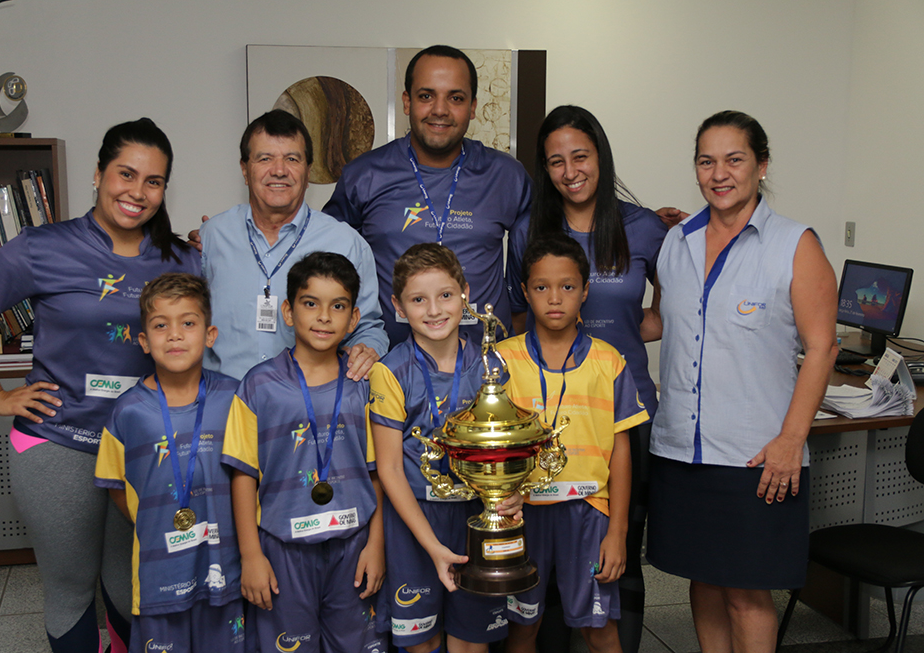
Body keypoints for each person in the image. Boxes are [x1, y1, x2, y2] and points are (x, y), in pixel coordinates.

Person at [0, 118, 199, 652]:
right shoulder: (45, 247)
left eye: (154, 181)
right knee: (70, 590)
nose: (138, 191)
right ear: (100, 172)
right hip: (59, 443)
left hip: (143, 447)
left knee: (132, 588)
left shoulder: (184, 259)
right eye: (126, 174)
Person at [647, 110, 837, 653]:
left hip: (756, 457)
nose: (719, 173)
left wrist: (790, 441)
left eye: (734, 159)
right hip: (681, 451)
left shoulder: (794, 244)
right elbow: (664, 322)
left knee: (747, 595)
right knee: (702, 581)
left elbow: (822, 348)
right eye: (706, 161)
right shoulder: (676, 242)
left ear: (762, 165)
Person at [505, 105, 667, 653]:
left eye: (581, 155)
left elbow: (669, 312)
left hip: (622, 409)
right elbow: (520, 318)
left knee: (615, 546)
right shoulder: (530, 229)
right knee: (539, 559)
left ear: (600, 156)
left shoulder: (644, 226)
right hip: (542, 416)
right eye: (556, 161)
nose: (570, 169)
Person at [222, 252, 386, 653]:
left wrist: (376, 545)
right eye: (310, 303)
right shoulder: (258, 385)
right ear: (288, 311)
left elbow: (377, 472)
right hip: (282, 551)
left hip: (353, 545)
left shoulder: (363, 383)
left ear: (353, 318)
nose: (324, 317)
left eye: (338, 306)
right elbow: (244, 474)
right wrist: (250, 555)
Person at [323, 45, 532, 345]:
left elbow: (536, 259)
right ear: (407, 102)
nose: (440, 110)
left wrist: (516, 315)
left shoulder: (506, 175)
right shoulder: (364, 175)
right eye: (426, 96)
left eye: (456, 98)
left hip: (486, 367)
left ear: (473, 106)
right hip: (387, 365)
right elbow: (331, 266)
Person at [498, 235, 648, 653]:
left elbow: (622, 452)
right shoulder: (502, 361)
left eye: (567, 286)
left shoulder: (609, 361)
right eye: (541, 287)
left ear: (585, 291)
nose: (554, 298)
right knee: (523, 627)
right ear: (525, 291)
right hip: (523, 515)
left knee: (599, 629)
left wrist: (617, 532)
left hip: (589, 514)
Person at [369, 243, 521, 653]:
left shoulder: (493, 366)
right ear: (399, 307)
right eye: (419, 299)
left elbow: (508, 450)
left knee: (472, 641)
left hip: (477, 516)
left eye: (446, 296)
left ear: (465, 294)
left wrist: (515, 492)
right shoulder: (389, 372)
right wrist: (433, 547)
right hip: (415, 522)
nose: (434, 310)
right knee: (421, 641)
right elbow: (390, 470)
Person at [94, 273, 248, 652]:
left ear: (209, 335)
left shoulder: (235, 398)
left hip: (226, 569)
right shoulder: (128, 411)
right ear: (144, 341)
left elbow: (254, 474)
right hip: (159, 573)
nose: (175, 335)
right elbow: (117, 486)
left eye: (188, 323)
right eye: (161, 326)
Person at [200, 109, 387, 380]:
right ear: (244, 169)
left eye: (292, 159)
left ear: (308, 170)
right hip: (223, 408)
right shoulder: (212, 237)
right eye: (265, 159)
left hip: (306, 409)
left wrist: (367, 350)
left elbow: (369, 326)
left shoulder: (346, 244)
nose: (279, 171)